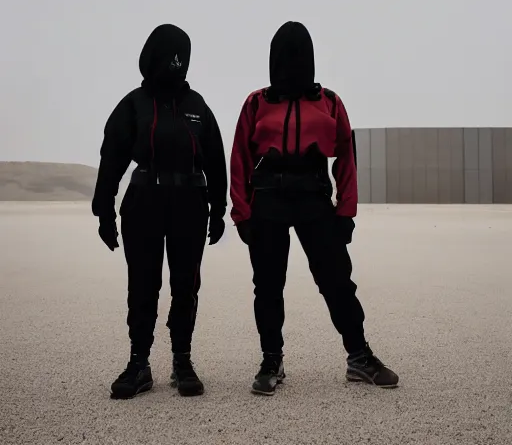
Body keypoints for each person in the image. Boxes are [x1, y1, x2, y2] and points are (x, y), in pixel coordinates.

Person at [230, 21, 398, 395]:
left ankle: (359, 356)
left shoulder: (330, 102)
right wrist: (242, 213)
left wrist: (345, 212)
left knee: (337, 281)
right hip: (269, 199)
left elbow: (346, 160)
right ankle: (271, 359)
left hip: (313, 197)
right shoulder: (257, 102)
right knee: (268, 286)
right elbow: (240, 156)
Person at [92, 24, 228, 399]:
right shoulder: (133, 104)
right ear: (152, 55)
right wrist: (103, 211)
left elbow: (216, 160)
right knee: (143, 284)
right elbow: (112, 158)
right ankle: (139, 363)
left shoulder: (198, 106)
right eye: (169, 54)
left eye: (181, 55)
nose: (176, 62)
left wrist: (219, 209)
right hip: (143, 203)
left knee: (185, 284)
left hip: (189, 203)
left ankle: (182, 360)